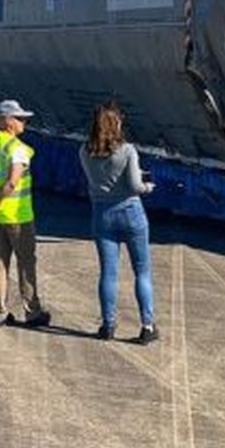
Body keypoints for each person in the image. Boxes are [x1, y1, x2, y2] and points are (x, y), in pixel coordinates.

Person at [79, 101, 157, 344]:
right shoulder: (127, 150)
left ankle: (108, 325)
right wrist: (147, 187)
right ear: (115, 124)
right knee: (142, 271)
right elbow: (134, 185)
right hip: (131, 212)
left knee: (108, 274)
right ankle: (147, 326)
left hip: (102, 213)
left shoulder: (84, 151)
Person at [0, 99, 51, 328]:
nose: (24, 122)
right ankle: (33, 312)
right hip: (18, 215)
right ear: (7, 121)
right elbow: (12, 183)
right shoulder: (18, 149)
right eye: (19, 118)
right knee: (26, 262)